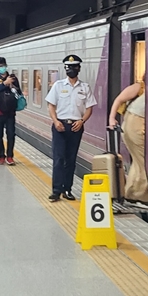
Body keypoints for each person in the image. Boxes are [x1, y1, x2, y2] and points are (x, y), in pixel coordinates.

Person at [46, 55, 97, 202]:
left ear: (79, 68)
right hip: (60, 126)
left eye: (74, 67)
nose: (71, 70)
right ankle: (56, 190)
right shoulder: (58, 86)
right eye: (68, 67)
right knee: (58, 158)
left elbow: (89, 108)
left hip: (76, 127)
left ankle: (67, 189)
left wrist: (82, 121)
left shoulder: (85, 88)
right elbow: (51, 105)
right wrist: (55, 121)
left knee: (71, 159)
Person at [109, 77, 148, 209]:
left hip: (135, 125)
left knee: (138, 161)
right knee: (145, 161)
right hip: (134, 126)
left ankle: (131, 195)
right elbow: (119, 99)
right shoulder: (140, 86)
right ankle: (142, 197)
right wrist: (112, 118)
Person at [0, 56, 20, 165]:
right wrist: (5, 83)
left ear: (6, 66)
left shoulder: (13, 78)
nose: (1, 68)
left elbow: (19, 92)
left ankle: (10, 156)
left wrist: (13, 86)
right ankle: (1, 155)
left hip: (10, 111)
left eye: (3, 66)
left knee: (11, 134)